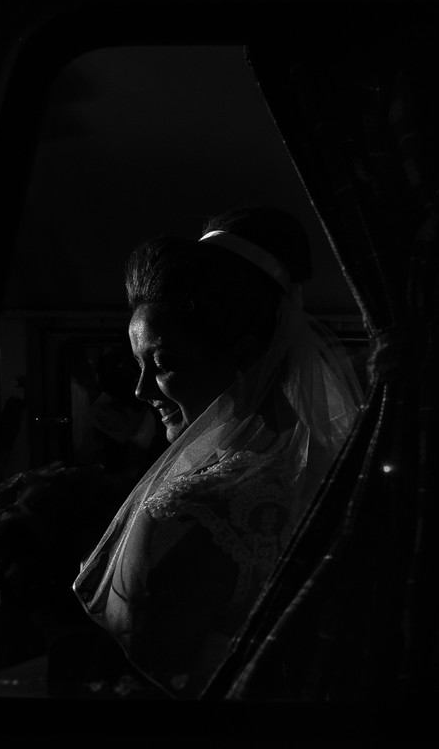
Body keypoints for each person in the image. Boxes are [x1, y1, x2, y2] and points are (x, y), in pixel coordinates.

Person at [69, 206, 363, 698]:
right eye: (137, 365)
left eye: (163, 363)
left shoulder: (188, 513)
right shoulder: (332, 478)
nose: (141, 390)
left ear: (242, 355)